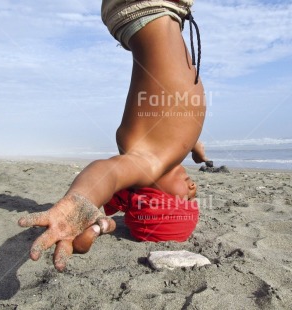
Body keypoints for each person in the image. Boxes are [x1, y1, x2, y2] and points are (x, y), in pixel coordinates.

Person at [18, 0, 208, 271]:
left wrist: (80, 201)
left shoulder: (147, 161)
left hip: (146, 8)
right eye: (193, 198)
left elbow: (108, 173)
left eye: (182, 200)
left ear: (150, 195)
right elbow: (178, 121)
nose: (192, 190)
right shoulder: (168, 153)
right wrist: (193, 145)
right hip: (160, 13)